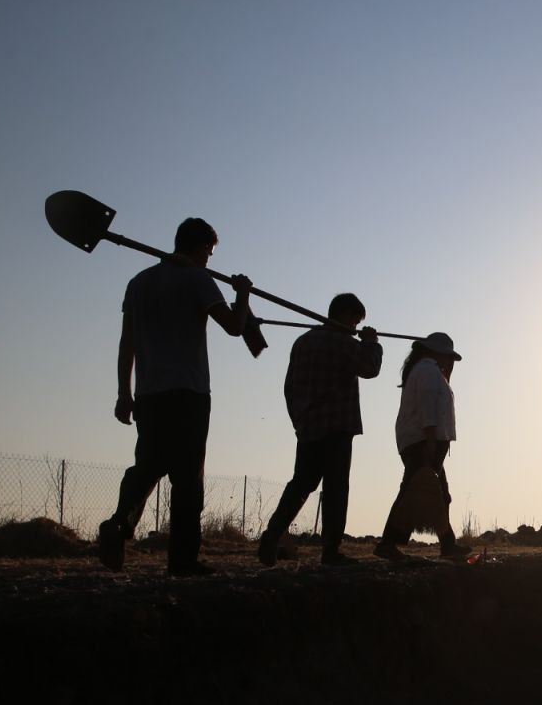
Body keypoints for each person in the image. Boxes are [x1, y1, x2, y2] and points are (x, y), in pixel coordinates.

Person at [96, 218, 252, 575]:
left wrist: (124, 391)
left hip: (149, 394)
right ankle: (182, 560)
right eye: (209, 253)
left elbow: (127, 343)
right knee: (187, 478)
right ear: (199, 249)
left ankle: (119, 522)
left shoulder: (139, 283)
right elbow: (235, 327)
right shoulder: (198, 279)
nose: (210, 260)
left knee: (148, 466)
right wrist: (242, 294)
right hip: (189, 392)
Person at [257, 294, 383, 567]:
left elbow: (289, 387)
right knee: (336, 488)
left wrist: (299, 420)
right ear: (346, 314)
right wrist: (372, 344)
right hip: (337, 426)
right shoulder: (345, 344)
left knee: (301, 484)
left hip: (309, 426)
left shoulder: (303, 342)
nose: (356, 326)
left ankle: (272, 535)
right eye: (355, 320)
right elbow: (370, 368)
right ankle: (331, 550)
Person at [373, 332, 469, 562]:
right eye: (448, 357)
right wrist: (429, 441)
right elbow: (428, 406)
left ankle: (447, 543)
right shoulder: (427, 371)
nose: (449, 362)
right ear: (437, 353)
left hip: (424, 440)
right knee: (413, 492)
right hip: (424, 441)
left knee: (436, 494)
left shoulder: (428, 371)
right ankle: (389, 543)